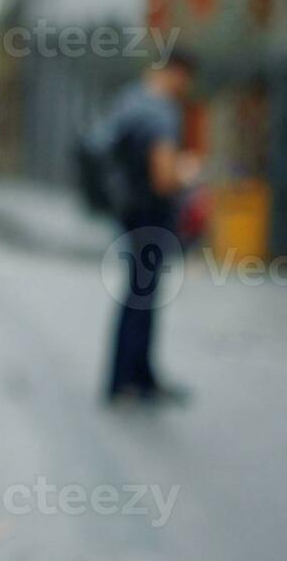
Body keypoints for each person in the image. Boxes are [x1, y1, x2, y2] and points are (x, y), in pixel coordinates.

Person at [101, 48, 201, 406]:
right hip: (152, 216)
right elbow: (164, 179)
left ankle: (131, 376)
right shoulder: (161, 113)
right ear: (176, 72)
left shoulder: (130, 100)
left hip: (129, 211)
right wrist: (186, 174)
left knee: (135, 296)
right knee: (143, 299)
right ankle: (132, 381)